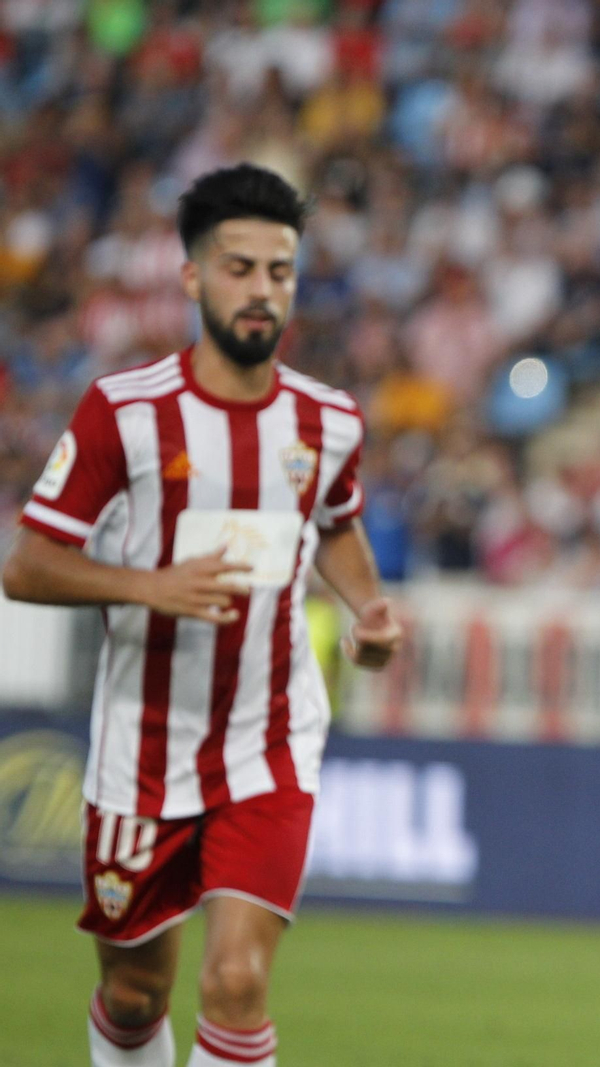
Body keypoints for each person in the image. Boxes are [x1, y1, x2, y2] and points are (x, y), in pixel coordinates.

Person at [1, 163, 402, 1067]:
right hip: (141, 745)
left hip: (270, 739)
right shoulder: (125, 412)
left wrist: (370, 608)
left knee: (235, 981)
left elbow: (335, 523)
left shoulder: (329, 419)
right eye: (239, 267)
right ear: (191, 277)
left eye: (280, 271)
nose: (262, 290)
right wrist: (149, 585)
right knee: (135, 991)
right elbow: (25, 567)